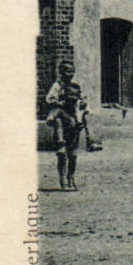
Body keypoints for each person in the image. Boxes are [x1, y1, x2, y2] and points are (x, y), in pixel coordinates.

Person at [45, 59, 90, 192]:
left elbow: (83, 99)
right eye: (67, 71)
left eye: (72, 71)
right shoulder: (57, 86)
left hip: (74, 121)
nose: (70, 74)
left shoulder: (76, 86)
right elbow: (49, 100)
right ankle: (63, 179)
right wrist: (60, 102)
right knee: (62, 153)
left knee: (73, 154)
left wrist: (82, 102)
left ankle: (71, 177)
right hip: (62, 122)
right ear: (61, 72)